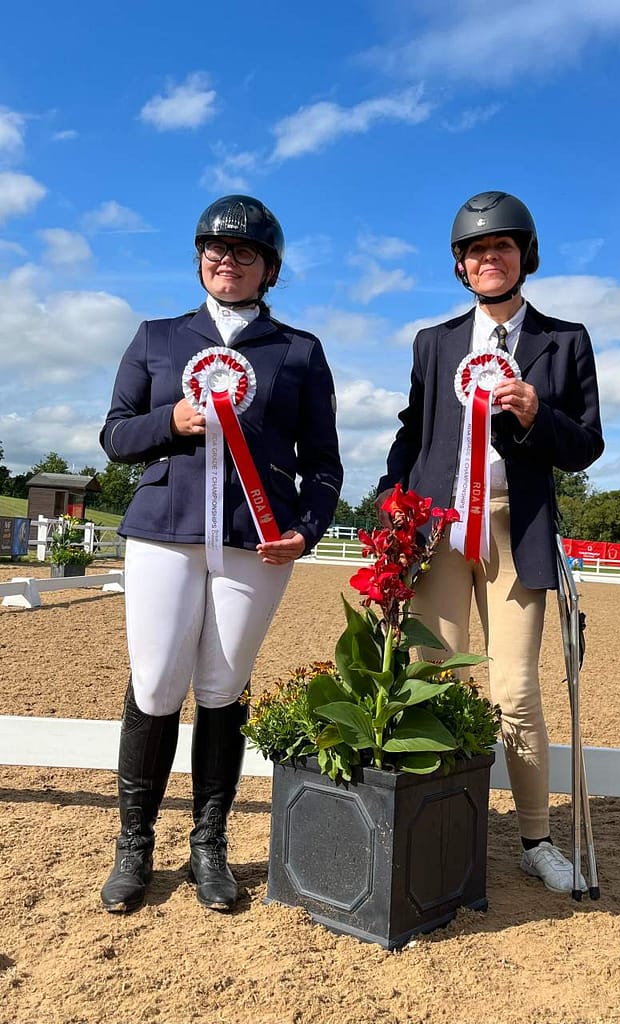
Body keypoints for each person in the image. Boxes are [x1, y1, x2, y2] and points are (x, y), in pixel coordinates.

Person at [99, 194, 343, 913]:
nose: (225, 261)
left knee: (223, 687)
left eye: (242, 253)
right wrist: (169, 421)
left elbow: (323, 463)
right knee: (154, 684)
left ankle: (208, 845)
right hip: (162, 533)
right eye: (214, 249)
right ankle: (133, 847)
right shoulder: (156, 336)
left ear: (268, 268)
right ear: (199, 258)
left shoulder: (298, 351)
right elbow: (114, 436)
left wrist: (310, 526)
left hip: (252, 541)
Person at [377, 190, 604, 894]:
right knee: (434, 674)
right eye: (475, 251)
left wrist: (539, 415)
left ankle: (534, 838)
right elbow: (412, 433)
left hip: (518, 529)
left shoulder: (564, 341)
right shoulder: (433, 341)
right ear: (460, 265)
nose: (487, 258)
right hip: (440, 529)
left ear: (523, 256)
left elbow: (585, 447)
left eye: (500, 247)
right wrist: (391, 500)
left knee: (513, 688)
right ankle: (435, 820)